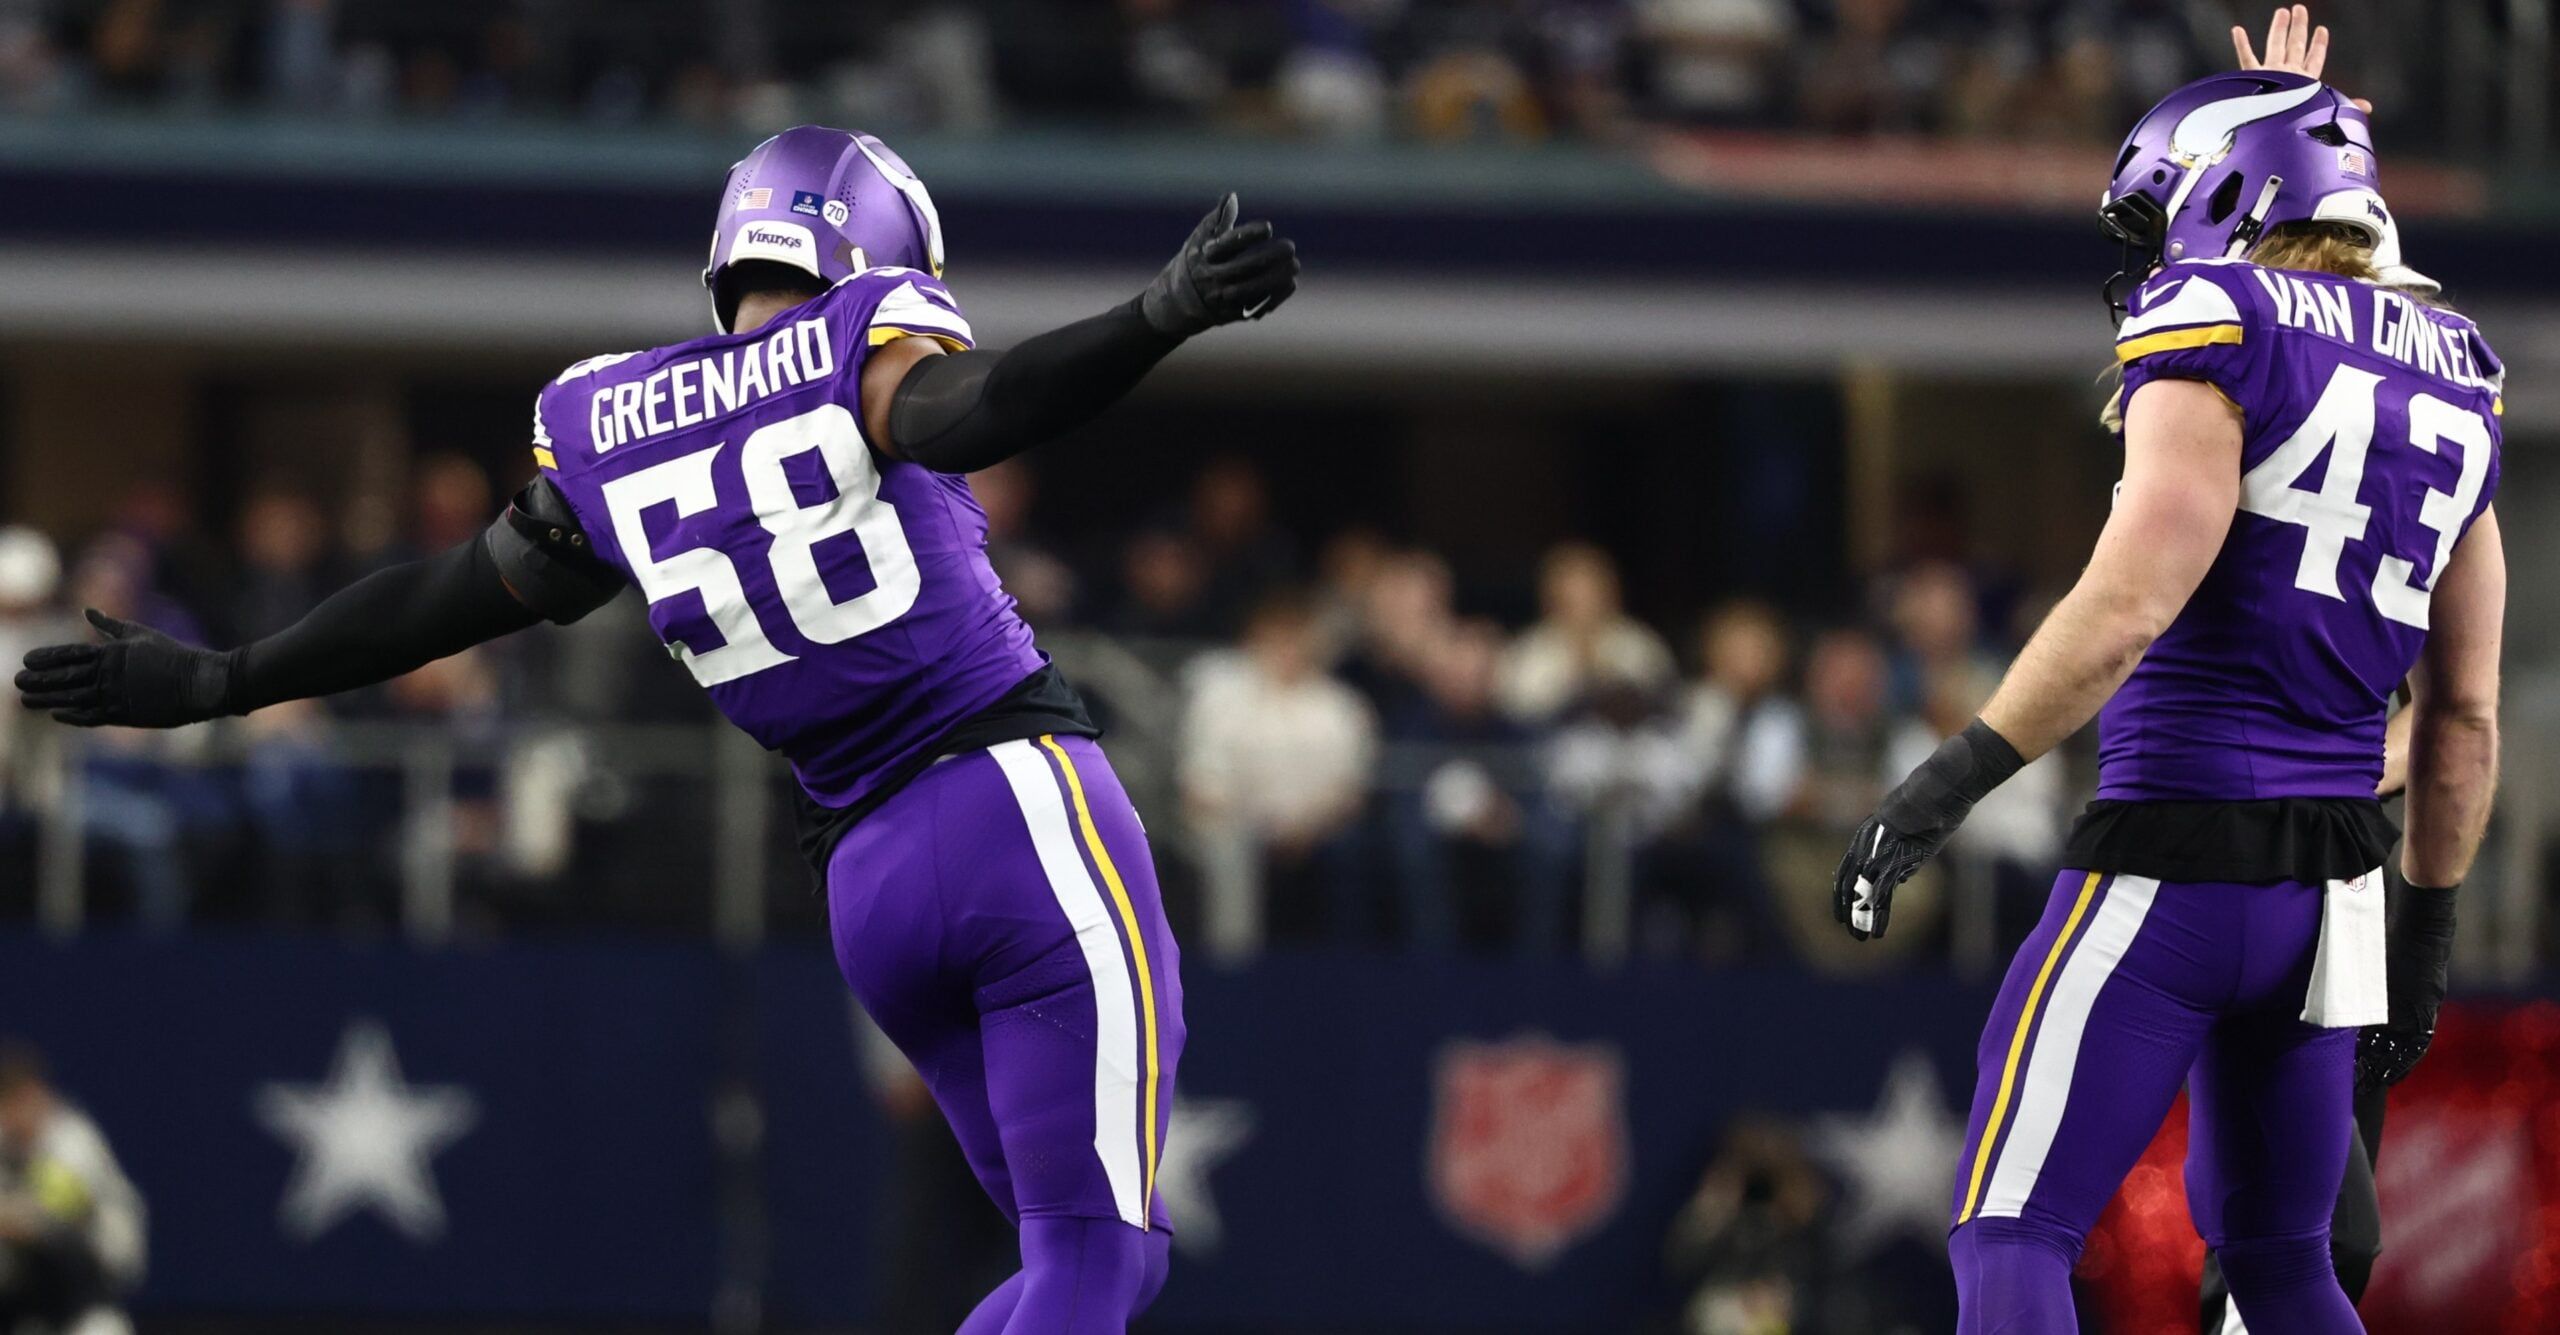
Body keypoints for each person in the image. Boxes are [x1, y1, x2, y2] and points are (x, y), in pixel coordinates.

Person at [15, 127, 1299, 1333]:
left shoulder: (610, 422)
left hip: (867, 885)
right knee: (1096, 1257)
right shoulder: (856, 340)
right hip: (1010, 806)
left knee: (1073, 1255)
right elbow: (967, 408)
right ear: (869, 247)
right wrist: (1156, 316)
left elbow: (451, 598)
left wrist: (226, 678)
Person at [1832, 58, 2504, 1334]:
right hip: (2330, 895)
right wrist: (2424, 942)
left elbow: (2126, 611)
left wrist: (1939, 788)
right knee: (2285, 1269)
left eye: (2159, 213)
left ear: (2227, 192)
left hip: (2170, 860)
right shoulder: (2457, 371)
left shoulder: (2218, 316)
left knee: (2010, 1230)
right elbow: (2462, 717)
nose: (2150, 253)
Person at [0, 1042, 145, 1335]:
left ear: (32, 1095)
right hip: (34, 1302)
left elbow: (57, 1212)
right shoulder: (7, 1143)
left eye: (11, 1103)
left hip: (92, 1291)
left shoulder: (72, 1140)